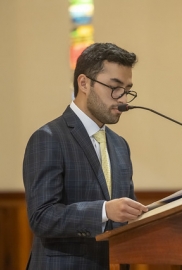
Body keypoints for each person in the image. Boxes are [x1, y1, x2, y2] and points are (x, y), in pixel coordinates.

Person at [23, 43, 148, 270]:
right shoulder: (49, 137)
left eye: (127, 89)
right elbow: (41, 217)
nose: (123, 100)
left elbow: (125, 214)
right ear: (84, 83)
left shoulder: (120, 145)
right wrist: (103, 211)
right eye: (114, 87)